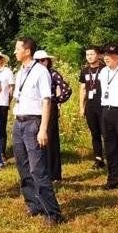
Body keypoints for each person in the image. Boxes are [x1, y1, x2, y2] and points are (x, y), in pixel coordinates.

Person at [12, 37, 63, 225]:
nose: (14, 52)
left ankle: (53, 212)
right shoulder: (20, 73)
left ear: (27, 51)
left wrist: (43, 129)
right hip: (19, 122)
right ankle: (34, 204)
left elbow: (46, 100)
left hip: (33, 123)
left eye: (17, 48)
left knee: (37, 169)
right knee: (23, 167)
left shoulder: (41, 72)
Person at [34, 50, 72, 181]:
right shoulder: (32, 74)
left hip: (49, 107)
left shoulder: (52, 73)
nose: (40, 63)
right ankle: (41, 171)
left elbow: (66, 90)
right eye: (37, 61)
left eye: (42, 60)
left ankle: (54, 174)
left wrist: (55, 100)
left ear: (47, 61)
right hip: (35, 109)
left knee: (51, 140)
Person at [99, 43, 118, 190]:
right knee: (110, 146)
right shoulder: (103, 72)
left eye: (110, 55)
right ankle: (113, 179)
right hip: (106, 110)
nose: (107, 58)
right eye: (105, 55)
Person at [79, 46, 105, 169]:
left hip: (104, 106)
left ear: (99, 55)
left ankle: (113, 158)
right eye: (87, 54)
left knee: (107, 133)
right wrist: (81, 107)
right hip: (90, 106)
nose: (89, 56)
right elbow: (83, 89)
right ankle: (98, 159)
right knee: (95, 134)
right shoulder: (84, 71)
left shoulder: (105, 69)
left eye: (92, 54)